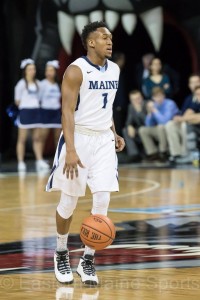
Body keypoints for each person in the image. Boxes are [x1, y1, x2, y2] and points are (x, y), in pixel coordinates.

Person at [46, 21, 125, 285]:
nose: (109, 41)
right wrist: (70, 149)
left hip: (103, 139)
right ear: (91, 42)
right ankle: (60, 252)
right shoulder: (76, 71)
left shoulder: (114, 69)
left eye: (111, 37)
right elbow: (67, 112)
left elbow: (107, 107)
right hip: (78, 138)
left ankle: (87, 260)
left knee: (102, 201)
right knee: (68, 202)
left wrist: (113, 132)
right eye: (104, 37)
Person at [15, 59, 49, 172]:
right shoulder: (20, 84)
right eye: (29, 69)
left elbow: (39, 98)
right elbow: (17, 101)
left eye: (33, 69)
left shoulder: (38, 84)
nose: (32, 71)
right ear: (25, 71)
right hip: (25, 112)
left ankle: (39, 160)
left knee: (37, 138)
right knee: (22, 139)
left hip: (36, 112)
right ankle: (20, 162)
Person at [165, 74, 200, 164]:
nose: (195, 84)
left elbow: (194, 117)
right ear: (189, 85)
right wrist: (183, 118)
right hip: (189, 123)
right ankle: (176, 154)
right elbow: (185, 114)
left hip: (194, 126)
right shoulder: (189, 99)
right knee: (170, 124)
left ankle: (186, 154)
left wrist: (184, 118)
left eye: (197, 81)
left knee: (186, 124)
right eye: (193, 82)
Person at [139, 87, 179, 162]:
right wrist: (150, 113)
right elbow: (148, 124)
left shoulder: (169, 103)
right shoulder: (154, 105)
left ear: (164, 95)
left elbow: (165, 121)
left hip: (171, 129)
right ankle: (153, 154)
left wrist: (155, 110)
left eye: (160, 96)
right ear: (153, 98)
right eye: (156, 96)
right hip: (160, 130)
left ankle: (163, 152)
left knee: (160, 127)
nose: (158, 98)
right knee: (142, 130)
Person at [40, 60, 62, 152]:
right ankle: (39, 159)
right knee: (42, 136)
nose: (49, 73)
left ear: (55, 72)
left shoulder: (58, 84)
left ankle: (57, 159)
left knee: (58, 137)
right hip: (45, 111)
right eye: (47, 70)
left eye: (51, 70)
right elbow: (38, 99)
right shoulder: (42, 84)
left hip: (56, 112)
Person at [122, 90, 146, 161]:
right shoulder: (131, 107)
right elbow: (128, 121)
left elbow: (148, 122)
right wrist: (129, 126)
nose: (136, 101)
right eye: (133, 100)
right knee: (125, 130)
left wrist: (139, 112)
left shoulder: (147, 104)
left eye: (138, 98)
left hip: (148, 128)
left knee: (143, 130)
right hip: (138, 130)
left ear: (141, 97)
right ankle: (134, 154)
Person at [112, 51, 128, 137]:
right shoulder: (114, 72)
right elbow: (118, 91)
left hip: (119, 106)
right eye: (123, 59)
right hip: (116, 106)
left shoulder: (118, 71)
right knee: (117, 126)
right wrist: (118, 105)